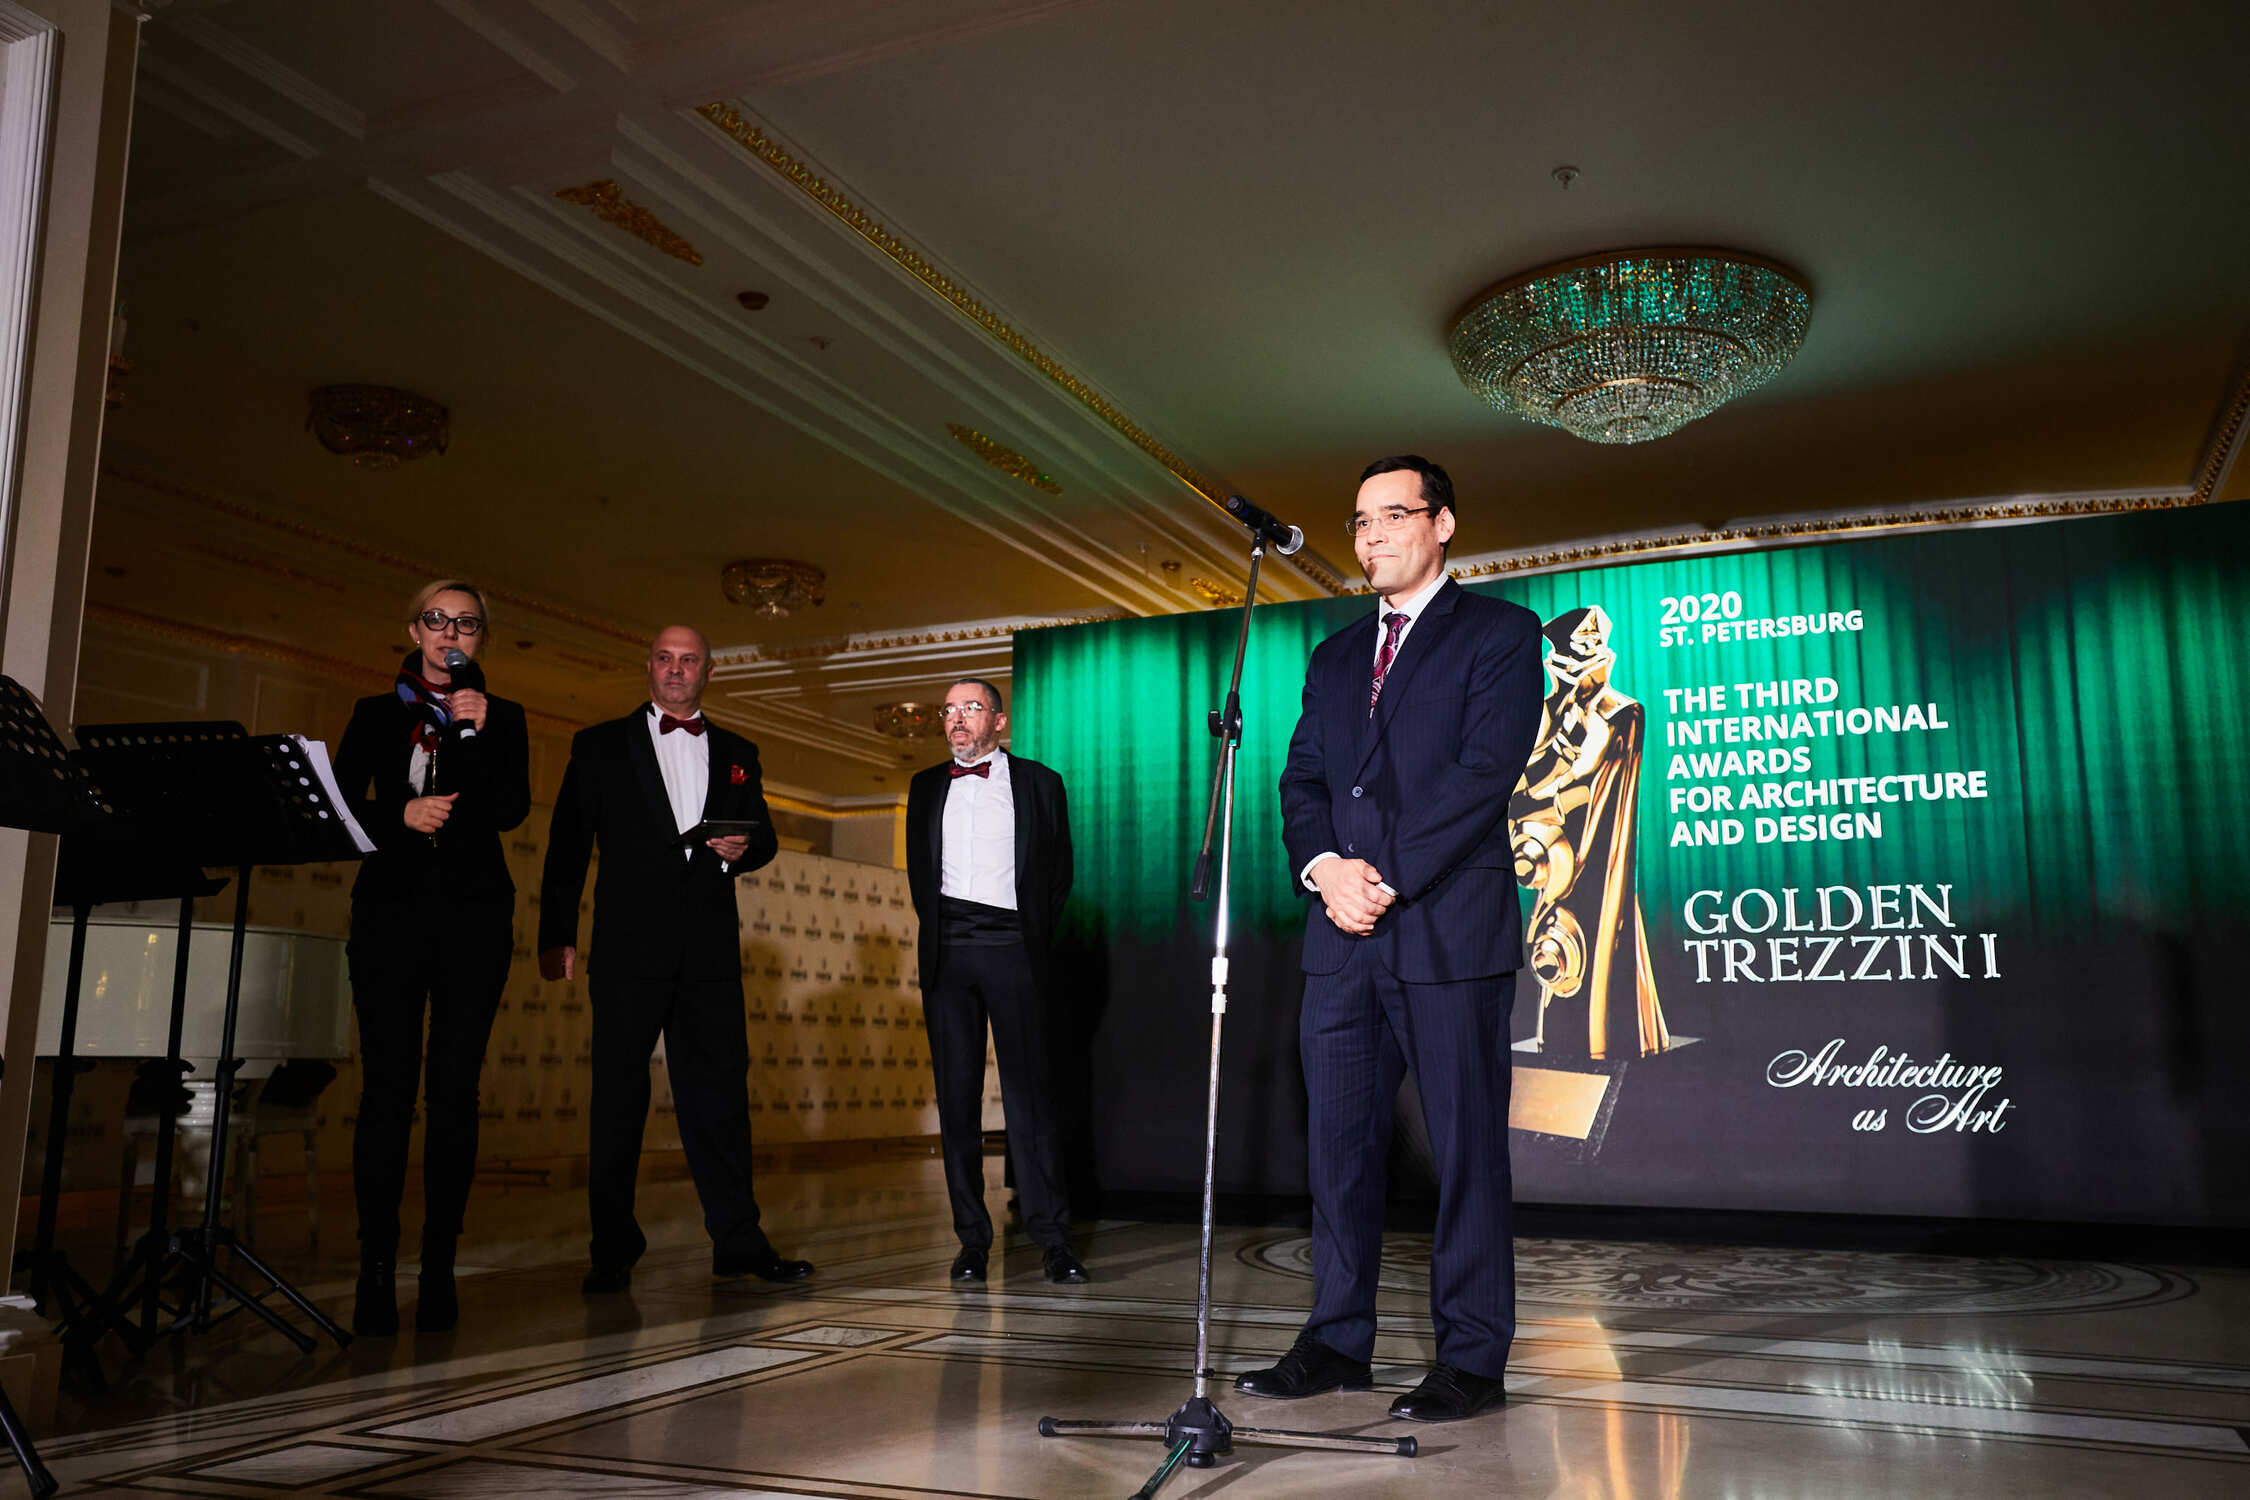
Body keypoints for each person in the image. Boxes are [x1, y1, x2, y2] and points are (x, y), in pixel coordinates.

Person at [1237, 455, 1542, 1423]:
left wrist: (1385, 877)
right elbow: (1303, 784)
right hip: (1340, 936)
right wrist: (1326, 869)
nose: (1372, 536)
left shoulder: (1499, 632)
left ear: (1442, 524)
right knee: (1337, 1150)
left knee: (1464, 1151)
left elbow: (1484, 773)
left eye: (1394, 516)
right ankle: (1336, 1342)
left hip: (1448, 929)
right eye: (1360, 521)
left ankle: (1472, 1359)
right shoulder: (1332, 656)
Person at [537, 625, 812, 1293]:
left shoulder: (740, 752)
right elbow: (568, 845)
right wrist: (556, 934)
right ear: (649, 666)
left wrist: (744, 848)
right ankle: (611, 1248)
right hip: (626, 951)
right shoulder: (599, 745)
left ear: (708, 673)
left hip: (709, 954)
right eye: (665, 658)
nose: (675, 669)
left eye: (689, 661)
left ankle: (737, 1240)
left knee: (720, 1100)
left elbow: (765, 837)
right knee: (617, 1101)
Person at [336, 580, 531, 1335]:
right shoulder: (373, 713)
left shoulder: (502, 716)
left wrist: (475, 730)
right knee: (386, 1091)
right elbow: (340, 810)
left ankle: (439, 1267)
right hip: (389, 915)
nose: (452, 632)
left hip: (475, 919)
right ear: (414, 629)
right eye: (438, 619)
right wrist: (400, 814)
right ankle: (375, 1271)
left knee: (455, 1093)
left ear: (481, 639)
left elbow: (509, 810)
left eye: (467, 624)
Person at [904, 678, 1085, 1285]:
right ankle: (971, 1243)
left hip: (1014, 947)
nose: (957, 718)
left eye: (971, 708)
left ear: (999, 722)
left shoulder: (1041, 783)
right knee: (956, 1101)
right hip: (948, 951)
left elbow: (1058, 873)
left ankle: (1053, 1241)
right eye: (949, 710)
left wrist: (1027, 934)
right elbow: (920, 875)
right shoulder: (924, 786)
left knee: (1030, 1099)